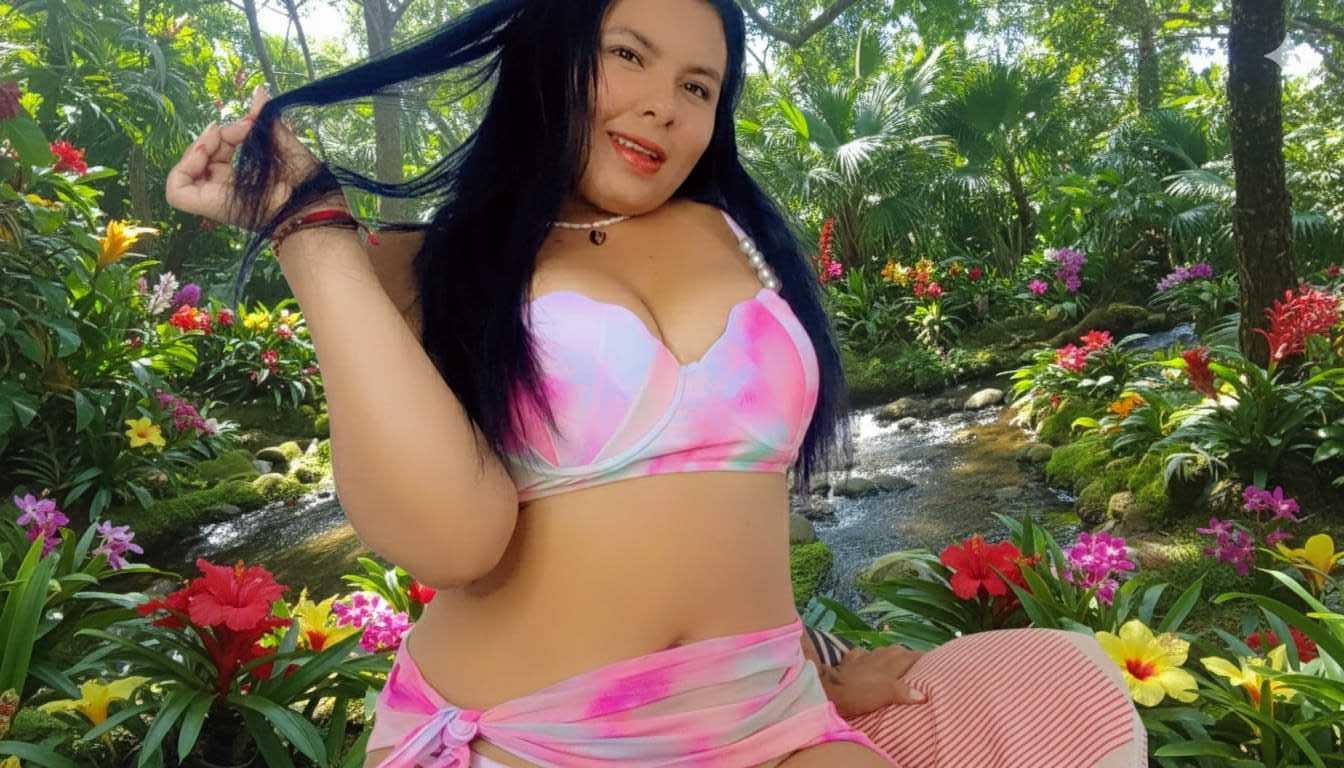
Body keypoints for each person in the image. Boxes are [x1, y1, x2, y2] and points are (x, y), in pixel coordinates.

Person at [165, 0, 1145, 765]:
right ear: (553, 54)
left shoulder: (737, 234)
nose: (663, 106)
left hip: (770, 720)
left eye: (698, 85)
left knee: (1059, 690)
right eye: (628, 55)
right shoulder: (423, 268)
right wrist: (307, 228)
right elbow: (449, 539)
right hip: (537, 737)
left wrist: (818, 662)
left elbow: (730, 500)